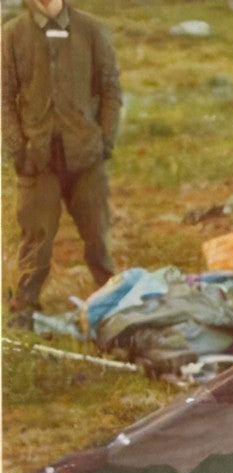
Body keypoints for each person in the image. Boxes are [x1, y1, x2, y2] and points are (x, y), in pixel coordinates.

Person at [2, 0, 122, 325]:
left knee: (97, 235)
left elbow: (110, 90)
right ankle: (25, 308)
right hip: (37, 160)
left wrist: (104, 141)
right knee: (36, 237)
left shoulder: (91, 30)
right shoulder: (12, 34)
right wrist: (18, 150)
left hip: (85, 157)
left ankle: (114, 302)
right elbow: (4, 98)